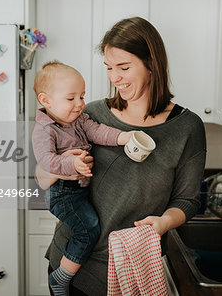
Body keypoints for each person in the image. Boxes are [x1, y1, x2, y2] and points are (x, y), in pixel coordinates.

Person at [37, 16, 207, 296]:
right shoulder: (88, 114)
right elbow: (42, 175)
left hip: (131, 270)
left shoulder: (187, 127)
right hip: (72, 267)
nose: (114, 77)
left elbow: (187, 200)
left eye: (124, 67)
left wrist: (164, 222)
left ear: (151, 64)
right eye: (108, 67)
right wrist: (65, 168)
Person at [31, 61, 134, 296]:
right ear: (46, 101)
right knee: (88, 230)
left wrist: (124, 137)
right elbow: (46, 162)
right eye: (71, 98)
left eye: (82, 96)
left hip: (78, 190)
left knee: (88, 227)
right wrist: (72, 163)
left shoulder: (79, 120)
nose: (79, 104)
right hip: (63, 194)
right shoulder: (45, 130)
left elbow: (98, 132)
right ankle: (61, 277)